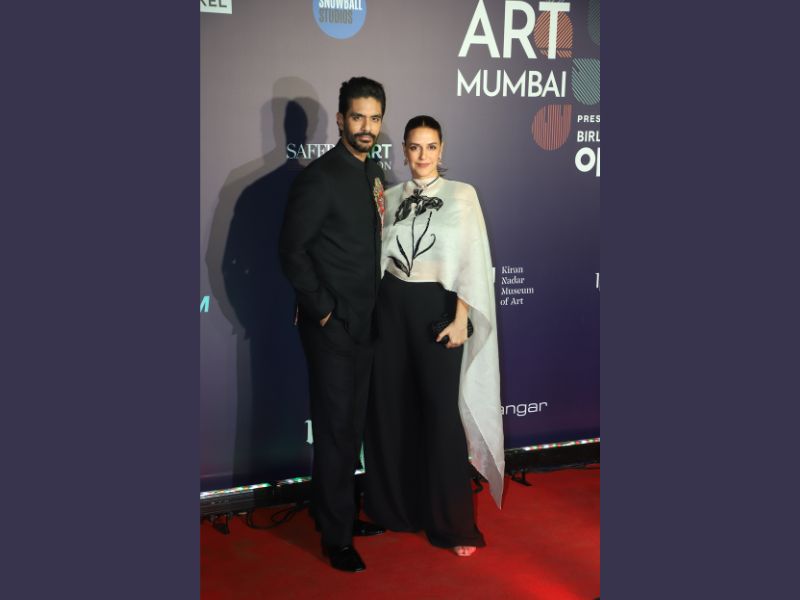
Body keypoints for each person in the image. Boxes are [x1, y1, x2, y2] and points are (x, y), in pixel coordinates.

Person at [364, 115, 505, 557]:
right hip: (390, 309)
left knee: (442, 416)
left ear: (441, 150)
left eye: (430, 146)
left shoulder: (463, 195)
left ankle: (453, 526)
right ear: (403, 151)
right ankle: (395, 510)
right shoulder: (388, 197)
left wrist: (461, 318)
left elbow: (471, 261)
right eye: (414, 147)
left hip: (436, 311)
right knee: (390, 410)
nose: (422, 155)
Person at [278, 76, 388, 572]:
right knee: (336, 430)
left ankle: (336, 514)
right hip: (331, 327)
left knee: (351, 428)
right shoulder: (319, 177)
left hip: (366, 322)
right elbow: (291, 252)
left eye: (374, 118)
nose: (366, 127)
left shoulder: (373, 170)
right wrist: (323, 310)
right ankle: (336, 537)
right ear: (341, 119)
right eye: (358, 117)